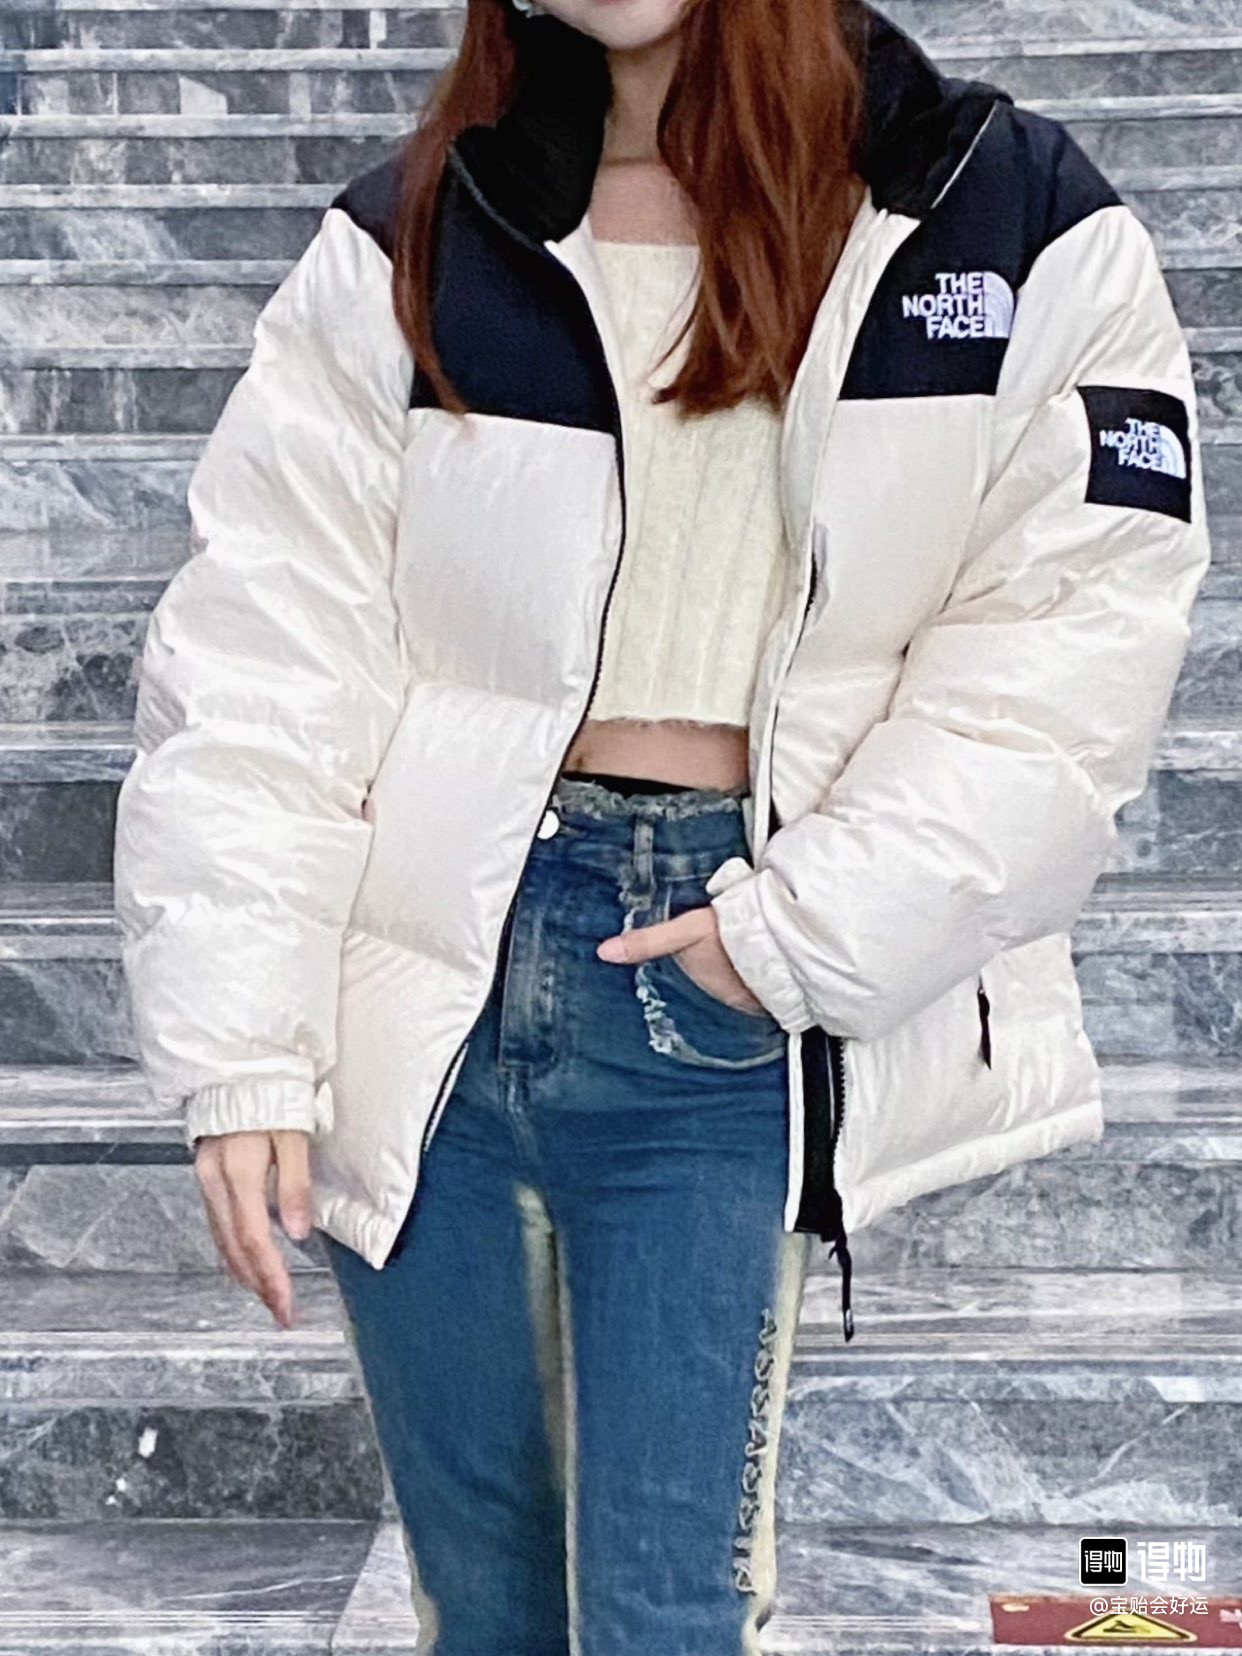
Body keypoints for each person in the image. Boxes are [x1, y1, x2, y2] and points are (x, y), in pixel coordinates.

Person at [112, 0, 1211, 1649]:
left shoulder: (999, 211)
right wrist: (245, 1045)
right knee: (484, 1605)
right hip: (419, 978)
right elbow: (264, 651)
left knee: (662, 1609)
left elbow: (1069, 646)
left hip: (717, 976)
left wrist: (788, 939)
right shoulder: (417, 230)